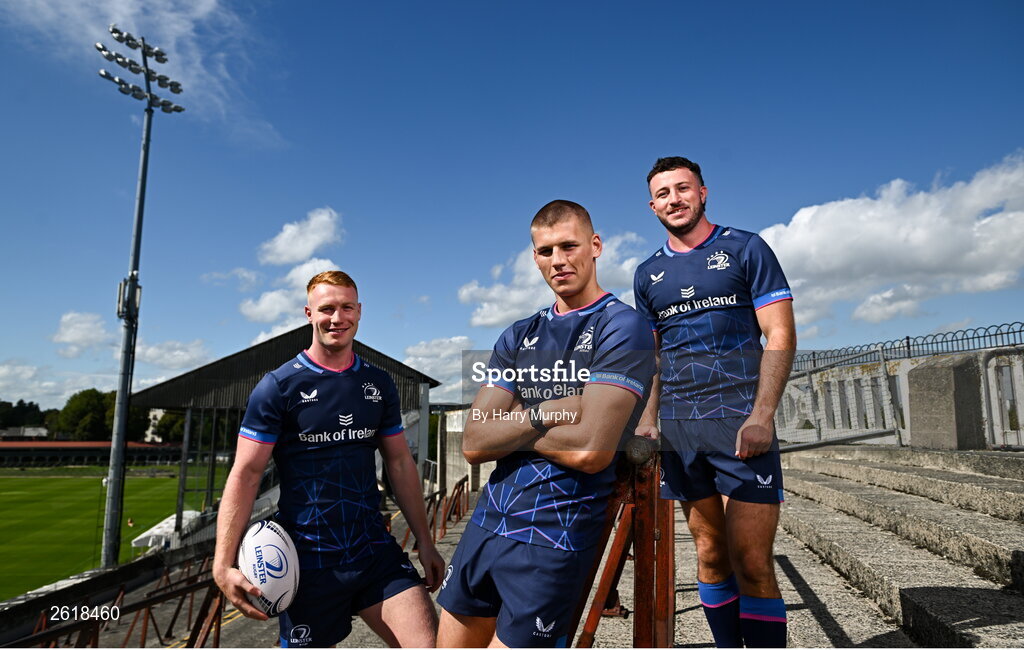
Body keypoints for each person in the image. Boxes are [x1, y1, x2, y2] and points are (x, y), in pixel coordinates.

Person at [437, 200, 655, 648]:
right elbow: (475, 442)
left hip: (554, 531)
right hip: (487, 523)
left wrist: (512, 429)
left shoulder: (623, 326)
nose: (558, 260)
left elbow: (589, 450)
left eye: (569, 246)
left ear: (595, 246)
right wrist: (548, 412)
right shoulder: (519, 334)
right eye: (545, 251)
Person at [213, 270, 445, 648]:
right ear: (308, 313)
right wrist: (223, 564)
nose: (337, 318)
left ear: (359, 311)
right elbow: (246, 473)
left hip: (371, 550)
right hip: (306, 563)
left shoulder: (378, 383)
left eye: (346, 308)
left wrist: (425, 540)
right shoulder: (278, 387)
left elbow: (400, 463)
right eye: (327, 309)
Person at [633, 157, 796, 648]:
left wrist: (763, 415)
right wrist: (645, 422)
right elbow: (652, 360)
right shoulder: (648, 274)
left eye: (683, 189)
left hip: (742, 424)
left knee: (751, 560)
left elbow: (780, 332)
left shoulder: (747, 248)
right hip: (682, 433)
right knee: (709, 553)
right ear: (651, 205)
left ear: (703, 193)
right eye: (663, 193)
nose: (674, 200)